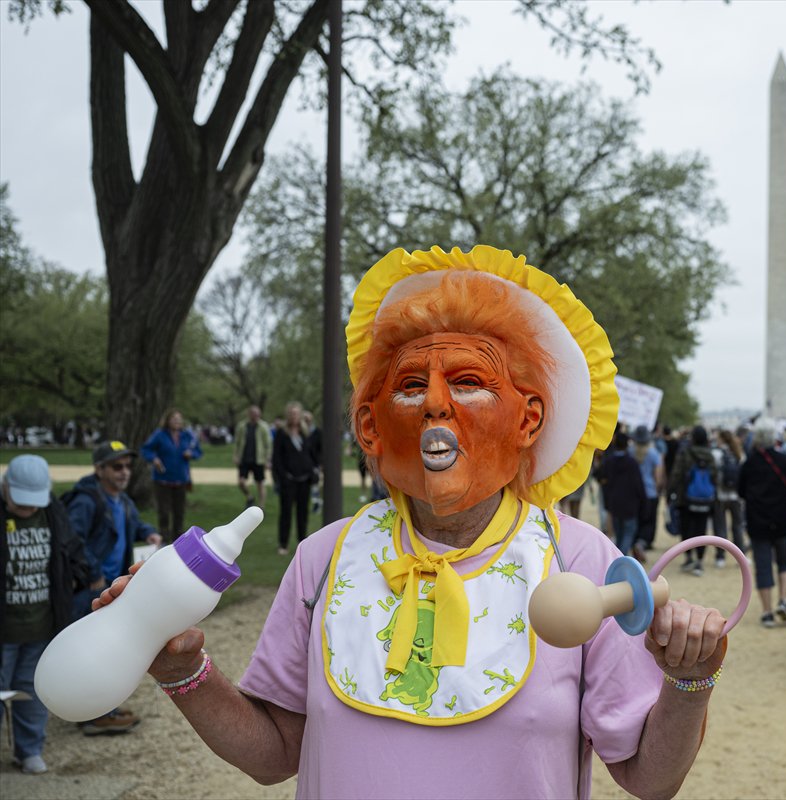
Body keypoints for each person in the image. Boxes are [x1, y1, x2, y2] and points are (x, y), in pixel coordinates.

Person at [92, 246, 727, 799]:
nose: (435, 403)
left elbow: (649, 779)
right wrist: (183, 672)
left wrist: (690, 676)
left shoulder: (581, 562)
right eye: (410, 385)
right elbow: (275, 754)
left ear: (527, 419)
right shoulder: (324, 558)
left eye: (470, 381)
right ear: (371, 427)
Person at [64, 440, 161, 734]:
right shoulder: (86, 501)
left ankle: (102, 708)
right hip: (89, 590)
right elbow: (71, 539)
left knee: (107, 649)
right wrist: (92, 571)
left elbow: (135, 524)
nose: (124, 472)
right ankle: (94, 714)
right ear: (99, 469)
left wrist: (150, 533)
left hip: (110, 586)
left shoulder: (122, 500)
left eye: (127, 466)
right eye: (116, 466)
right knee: (93, 651)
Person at [1, 456, 90, 773]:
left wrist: (82, 573)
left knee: (32, 692)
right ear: (6, 487)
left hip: (41, 623)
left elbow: (70, 546)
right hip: (4, 629)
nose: (29, 509)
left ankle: (29, 750)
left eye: (33, 502)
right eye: (22, 502)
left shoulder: (52, 509)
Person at [738, 420, 786, 627]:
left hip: (758, 521)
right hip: (783, 519)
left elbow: (741, 491)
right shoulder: (785, 460)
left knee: (763, 566)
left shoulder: (749, 463)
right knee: (785, 561)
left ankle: (767, 612)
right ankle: (784, 599)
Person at [140, 408, 202, 542]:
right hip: (162, 480)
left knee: (179, 513)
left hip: (181, 480)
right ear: (167, 421)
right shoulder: (159, 435)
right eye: (174, 419)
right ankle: (163, 538)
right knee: (163, 512)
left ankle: (178, 541)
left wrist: (191, 454)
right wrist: (154, 459)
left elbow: (198, 451)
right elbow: (146, 449)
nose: (177, 422)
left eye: (179, 420)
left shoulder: (187, 435)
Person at [668, 426, 719, 577]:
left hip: (686, 498)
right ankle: (700, 560)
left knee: (686, 528)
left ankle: (689, 556)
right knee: (701, 529)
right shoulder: (710, 455)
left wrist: (670, 491)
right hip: (705, 499)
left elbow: (676, 474)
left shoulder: (685, 452)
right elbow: (715, 477)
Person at [271, 402, 319, 556]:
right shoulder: (281, 433)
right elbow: (276, 458)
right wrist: (281, 476)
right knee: (286, 512)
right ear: (288, 415)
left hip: (304, 479)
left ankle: (302, 543)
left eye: (297, 413)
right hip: (288, 480)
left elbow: (312, 453)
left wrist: (314, 472)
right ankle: (283, 544)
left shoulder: (306, 433)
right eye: (291, 413)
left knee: (302, 513)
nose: (294, 416)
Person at [595, 429, 646, 556]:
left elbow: (599, 475)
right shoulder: (632, 463)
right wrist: (643, 501)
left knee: (619, 533)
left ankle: (617, 557)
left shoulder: (609, 461)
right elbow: (638, 485)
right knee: (629, 532)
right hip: (630, 504)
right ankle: (621, 558)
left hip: (614, 502)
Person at [711, 429, 747, 559]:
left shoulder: (716, 453)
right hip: (736, 496)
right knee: (737, 526)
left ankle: (720, 556)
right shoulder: (739, 454)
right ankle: (741, 555)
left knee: (720, 527)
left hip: (720, 495)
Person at [631, 425, 664, 558]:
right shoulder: (653, 453)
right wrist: (658, 487)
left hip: (634, 492)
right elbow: (658, 475)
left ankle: (635, 541)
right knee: (650, 520)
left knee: (637, 519)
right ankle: (642, 543)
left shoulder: (630, 451)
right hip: (650, 492)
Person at [233, 405, 271, 509]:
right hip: (244, 458)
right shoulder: (242, 426)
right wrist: (236, 455)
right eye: (253, 414)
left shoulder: (263, 427)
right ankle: (249, 497)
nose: (255, 416)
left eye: (257, 414)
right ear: (249, 414)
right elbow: (237, 442)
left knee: (260, 483)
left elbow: (268, 444)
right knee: (241, 482)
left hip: (258, 459)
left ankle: (261, 506)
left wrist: (268, 459)